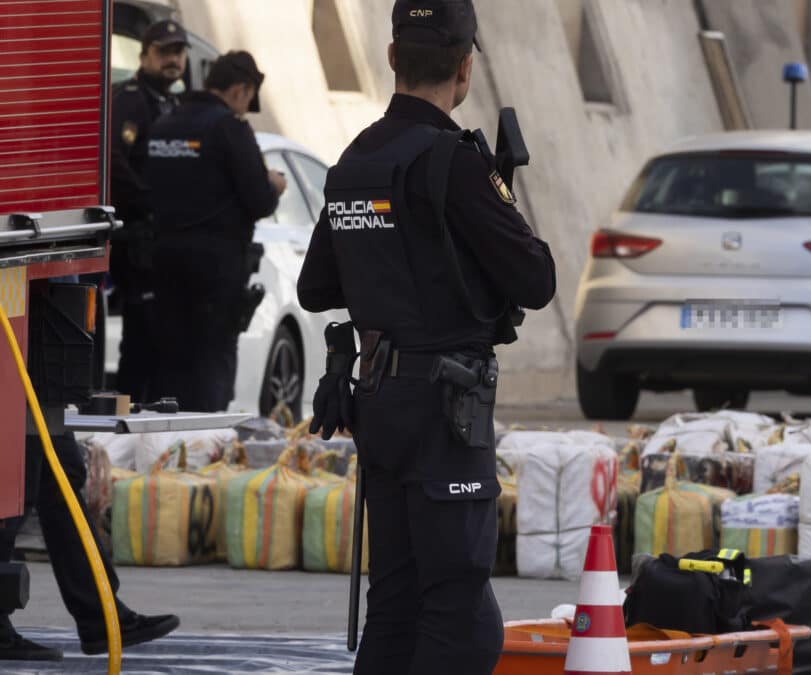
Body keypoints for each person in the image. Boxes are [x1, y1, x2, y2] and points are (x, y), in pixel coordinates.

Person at [296, 1, 556, 672]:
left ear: (391, 57)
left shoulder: (355, 161)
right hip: (446, 412)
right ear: (465, 67)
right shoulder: (455, 163)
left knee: (396, 605)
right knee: (460, 616)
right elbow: (535, 279)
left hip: (379, 402)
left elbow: (316, 288)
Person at [145, 51, 286, 412]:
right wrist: (275, 185)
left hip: (163, 261)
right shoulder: (228, 128)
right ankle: (204, 446)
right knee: (211, 362)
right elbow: (259, 201)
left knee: (169, 363)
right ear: (241, 90)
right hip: (216, 269)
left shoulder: (165, 122)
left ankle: (166, 448)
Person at [0, 433, 179, 661]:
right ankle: (99, 615)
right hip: (15, 405)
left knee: (61, 475)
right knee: (19, 480)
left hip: (39, 403)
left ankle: (101, 615)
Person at [108, 19, 191, 403]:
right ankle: (130, 412)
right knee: (141, 340)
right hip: (138, 235)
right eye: (164, 52)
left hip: (164, 239)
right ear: (144, 56)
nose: (173, 60)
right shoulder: (130, 98)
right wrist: (153, 205)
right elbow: (115, 163)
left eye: (179, 52)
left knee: (162, 342)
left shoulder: (174, 103)